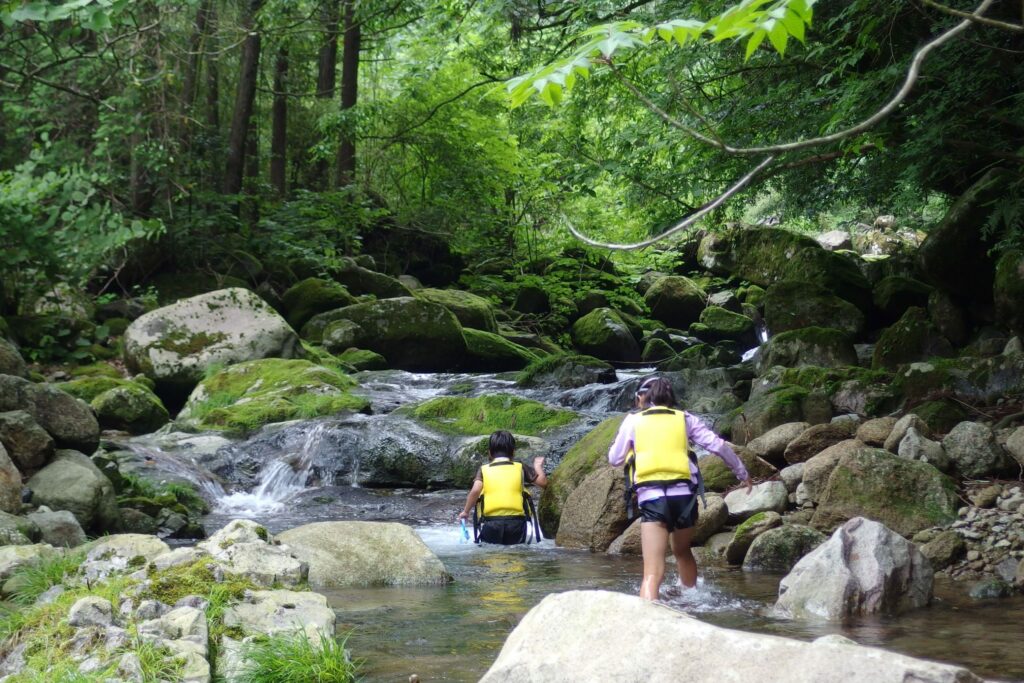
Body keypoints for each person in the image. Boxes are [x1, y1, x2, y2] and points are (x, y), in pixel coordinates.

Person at [608, 376, 752, 600]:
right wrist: (742, 473)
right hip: (684, 498)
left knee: (652, 574)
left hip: (653, 498)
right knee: (682, 552)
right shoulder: (684, 419)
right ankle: (691, 603)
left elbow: (614, 459)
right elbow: (718, 445)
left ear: (642, 397)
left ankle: (650, 624)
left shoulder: (632, 421)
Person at [458, 430, 547, 545]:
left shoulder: (483, 469)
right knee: (516, 557)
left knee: (490, 557)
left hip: (492, 524)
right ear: (513, 452)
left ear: (489, 453)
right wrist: (537, 466)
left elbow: (475, 491)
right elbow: (543, 483)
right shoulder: (520, 466)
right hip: (516, 524)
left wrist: (465, 512)